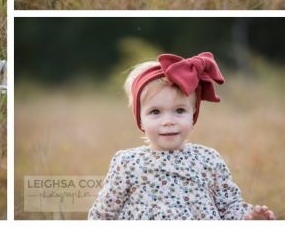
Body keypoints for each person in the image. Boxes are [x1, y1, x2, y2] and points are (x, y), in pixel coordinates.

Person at [89, 52, 274, 219]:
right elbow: (104, 213)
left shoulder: (208, 159)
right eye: (155, 112)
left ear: (193, 114)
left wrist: (248, 218)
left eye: (179, 110)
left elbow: (229, 207)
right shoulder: (128, 162)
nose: (168, 121)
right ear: (140, 119)